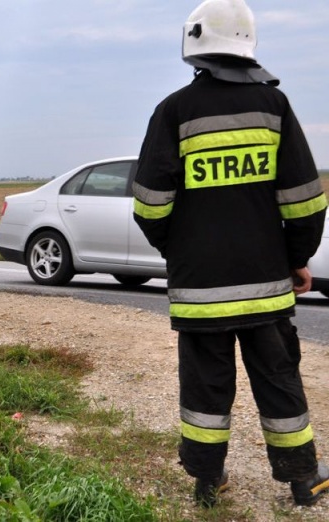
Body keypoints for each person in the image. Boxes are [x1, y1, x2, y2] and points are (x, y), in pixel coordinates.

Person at [132, 0, 329, 509]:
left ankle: (207, 482)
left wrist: (180, 250)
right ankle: (303, 479)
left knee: (205, 389)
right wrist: (296, 257)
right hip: (266, 286)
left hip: (200, 291)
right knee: (279, 380)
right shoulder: (274, 107)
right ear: (248, 42)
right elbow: (305, 200)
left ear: (194, 43)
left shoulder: (173, 111)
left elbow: (149, 205)